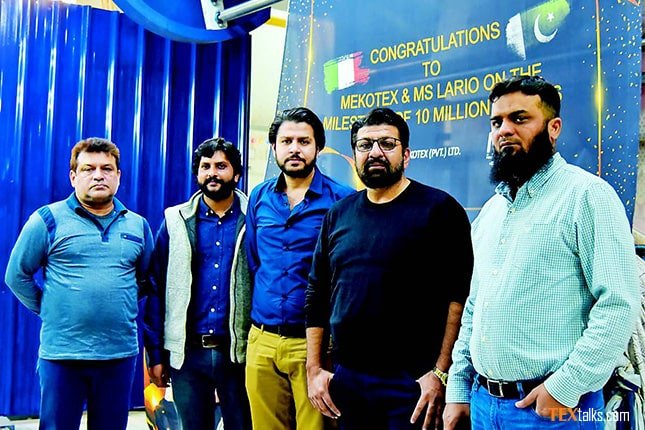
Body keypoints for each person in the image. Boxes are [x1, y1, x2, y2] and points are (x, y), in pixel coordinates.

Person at [443, 76, 640, 429]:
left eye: (519, 118)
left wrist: (565, 387)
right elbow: (475, 306)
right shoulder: (491, 211)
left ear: (554, 128)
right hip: (484, 405)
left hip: (554, 411)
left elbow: (618, 304)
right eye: (497, 122)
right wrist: (458, 389)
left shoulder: (586, 196)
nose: (504, 130)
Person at [305, 107, 474, 430]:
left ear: (406, 155)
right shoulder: (338, 214)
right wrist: (314, 368)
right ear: (355, 155)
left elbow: (460, 298)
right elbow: (317, 292)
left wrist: (441, 373)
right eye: (365, 145)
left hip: (412, 385)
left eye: (386, 144)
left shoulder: (440, 210)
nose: (375, 153)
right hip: (349, 380)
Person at [4, 137, 153, 430]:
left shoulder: (137, 225)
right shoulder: (47, 220)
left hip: (118, 355)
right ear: (73, 177)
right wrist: (49, 309)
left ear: (118, 176)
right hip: (63, 356)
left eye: (106, 169)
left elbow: (147, 279)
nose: (98, 175)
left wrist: (117, 305)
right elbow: (16, 276)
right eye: (88, 169)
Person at [245, 106, 355, 430]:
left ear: (318, 147)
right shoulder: (259, 197)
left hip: (315, 345)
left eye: (304, 141)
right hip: (262, 341)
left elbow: (344, 275)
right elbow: (254, 261)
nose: (295, 149)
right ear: (274, 147)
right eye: (286, 141)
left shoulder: (342, 200)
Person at [143, 137, 252, 430]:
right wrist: (156, 353)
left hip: (239, 354)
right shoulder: (174, 221)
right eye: (205, 167)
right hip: (188, 356)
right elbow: (156, 288)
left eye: (221, 166)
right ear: (197, 173)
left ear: (237, 174)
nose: (212, 173)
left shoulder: (255, 219)